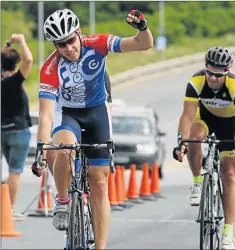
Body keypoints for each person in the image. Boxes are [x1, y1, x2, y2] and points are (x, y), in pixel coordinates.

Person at [31, 8, 152, 249]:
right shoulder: (49, 68)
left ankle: (101, 247)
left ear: (79, 33)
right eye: (60, 45)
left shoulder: (98, 43)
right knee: (64, 147)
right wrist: (40, 152)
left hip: (97, 114)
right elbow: (45, 116)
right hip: (69, 115)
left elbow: (142, 45)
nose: (68, 48)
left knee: (99, 184)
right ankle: (63, 201)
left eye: (70, 41)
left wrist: (142, 27)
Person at [173, 47, 235, 249]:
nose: (213, 78)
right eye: (209, 72)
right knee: (195, 138)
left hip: (230, 123)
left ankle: (228, 232)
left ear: (227, 72)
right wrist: (182, 142)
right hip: (205, 117)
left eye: (218, 75)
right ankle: (197, 181)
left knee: (228, 172)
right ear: (205, 67)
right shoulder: (196, 81)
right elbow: (187, 116)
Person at [1, 33, 33, 220]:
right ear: (15, 66)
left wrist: (7, 43)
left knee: (8, 169)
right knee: (15, 171)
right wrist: (20, 41)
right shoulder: (13, 81)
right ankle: (9, 209)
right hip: (18, 129)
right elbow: (28, 59)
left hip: (2, 129)